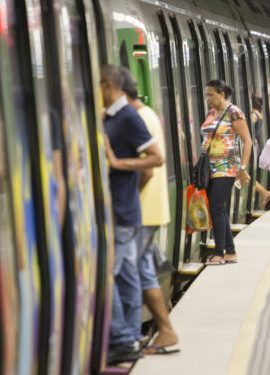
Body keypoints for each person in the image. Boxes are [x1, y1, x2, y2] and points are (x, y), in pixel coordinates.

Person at [100, 65, 164, 365]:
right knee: (126, 276)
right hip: (121, 210)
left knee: (108, 275)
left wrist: (116, 163)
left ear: (107, 85)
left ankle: (123, 338)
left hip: (123, 211)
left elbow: (155, 158)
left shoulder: (127, 117)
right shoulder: (112, 116)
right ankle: (127, 338)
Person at [121, 70, 179, 355]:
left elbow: (148, 164)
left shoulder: (139, 118)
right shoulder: (147, 115)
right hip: (147, 208)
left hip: (141, 208)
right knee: (142, 271)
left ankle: (130, 336)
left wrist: (125, 197)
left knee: (130, 272)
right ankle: (163, 330)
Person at [200, 80, 252, 265]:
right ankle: (230, 252)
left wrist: (243, 169)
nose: (208, 99)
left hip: (226, 167)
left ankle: (219, 254)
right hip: (210, 168)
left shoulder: (234, 112)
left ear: (222, 94)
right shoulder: (212, 112)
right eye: (207, 95)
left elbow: (247, 141)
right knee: (217, 208)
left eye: (211, 95)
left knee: (215, 206)